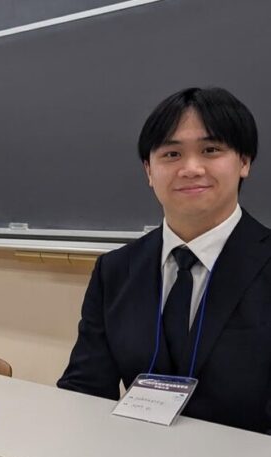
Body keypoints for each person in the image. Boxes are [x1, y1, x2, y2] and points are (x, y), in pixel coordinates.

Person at [57, 87, 271, 434]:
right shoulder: (115, 271)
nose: (191, 168)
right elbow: (84, 391)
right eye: (171, 154)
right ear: (149, 170)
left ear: (244, 161)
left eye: (210, 150)